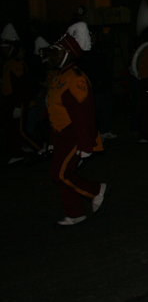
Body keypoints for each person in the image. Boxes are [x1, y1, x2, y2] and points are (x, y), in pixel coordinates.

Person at [44, 22, 107, 226]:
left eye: (56, 52)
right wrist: (53, 140)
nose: (51, 56)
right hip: (62, 134)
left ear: (68, 54)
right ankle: (75, 213)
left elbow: (83, 116)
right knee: (64, 174)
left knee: (60, 173)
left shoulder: (75, 78)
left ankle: (96, 190)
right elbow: (55, 112)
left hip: (74, 134)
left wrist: (86, 145)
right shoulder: (60, 76)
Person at [2, 23, 42, 164]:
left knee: (21, 131)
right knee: (11, 130)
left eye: (6, 48)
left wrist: (18, 105)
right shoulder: (7, 63)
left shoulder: (17, 64)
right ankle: (15, 153)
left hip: (18, 102)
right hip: (9, 101)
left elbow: (20, 86)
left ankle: (41, 148)